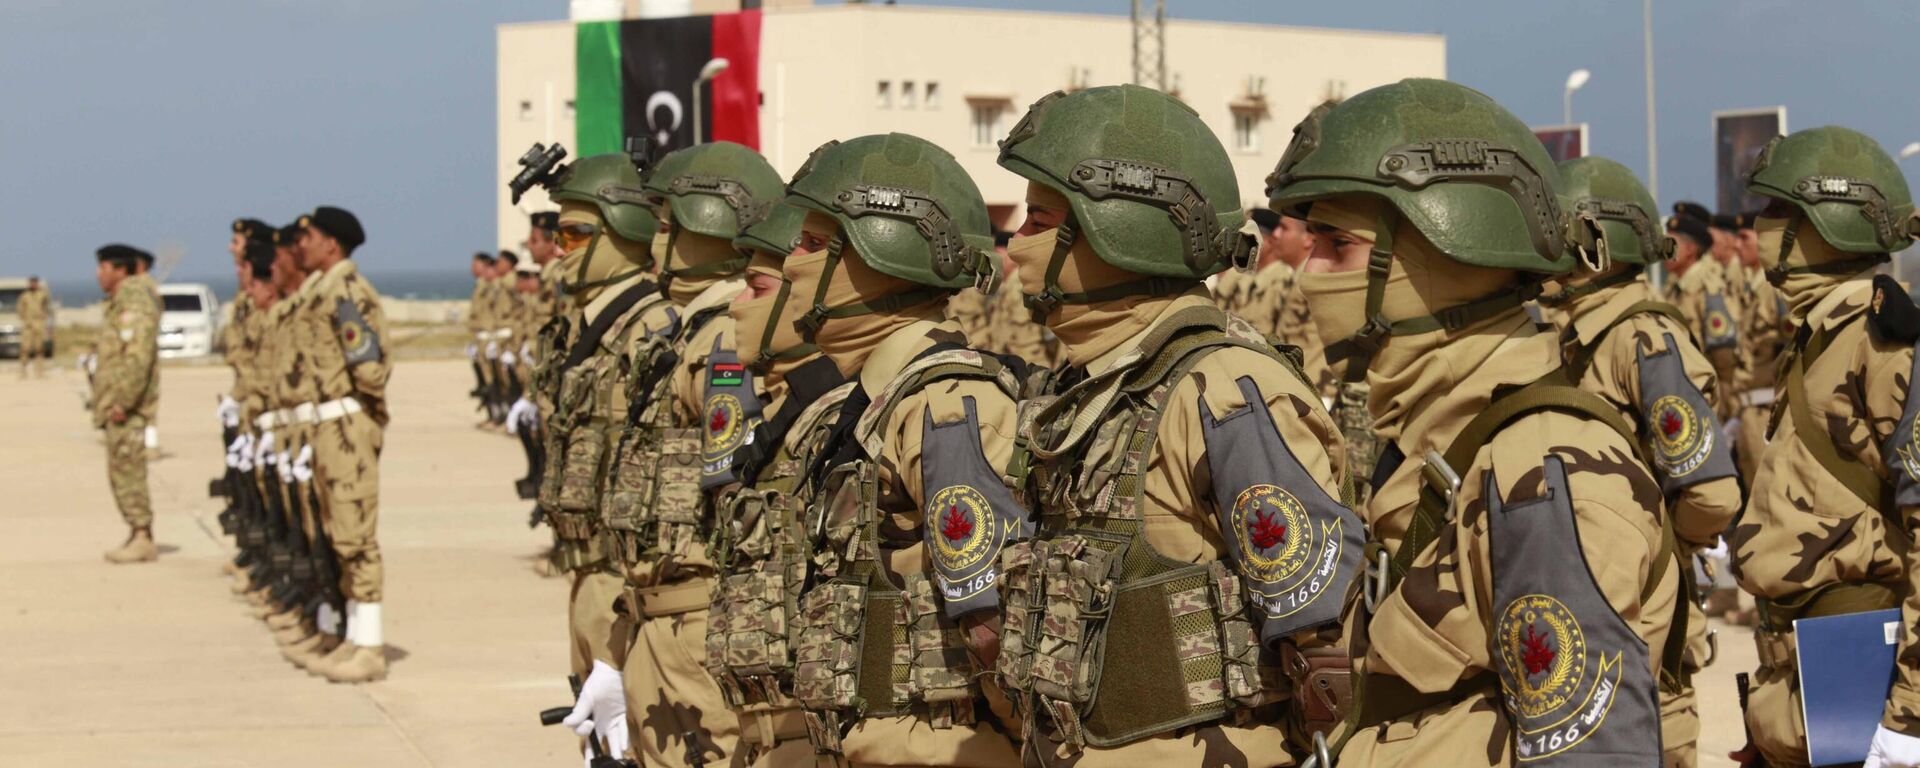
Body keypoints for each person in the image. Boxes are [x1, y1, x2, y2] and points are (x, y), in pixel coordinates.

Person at [1269, 78, 1674, 766]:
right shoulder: (1442, 437)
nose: (1308, 273)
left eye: (1337, 245)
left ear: (1441, 256)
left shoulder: (1544, 475)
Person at [995, 84, 1359, 767]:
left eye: (1040, 222)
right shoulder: (1092, 387)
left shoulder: (1223, 393)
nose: (1015, 246)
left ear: (1118, 229)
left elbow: (1328, 655)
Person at [773, 133, 1025, 767]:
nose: (788, 265)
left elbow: (998, 627)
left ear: (876, 254)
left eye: (810, 245)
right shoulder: (868, 398)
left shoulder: (944, 404)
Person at [1724, 126, 1920, 768]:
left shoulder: (1881, 342)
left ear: (1826, 222)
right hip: (1804, 692)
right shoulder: (1817, 334)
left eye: (1778, 210)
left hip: (1864, 696)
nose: (1760, 223)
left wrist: (1908, 723)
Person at [1537, 156, 1740, 768]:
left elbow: (1711, 493)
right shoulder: (1572, 333)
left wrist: (1660, 553)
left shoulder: (1642, 338)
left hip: (1648, 608)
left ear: (1592, 250)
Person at [594, 139, 783, 767]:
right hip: (663, 614)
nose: (653, 243)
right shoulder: (690, 332)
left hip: (696, 623)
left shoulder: (723, 342)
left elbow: (738, 482)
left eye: (668, 227)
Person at [527, 149, 676, 762]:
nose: (560, 246)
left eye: (575, 232)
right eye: (555, 232)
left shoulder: (652, 328)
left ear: (626, 231)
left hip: (625, 583)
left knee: (629, 745)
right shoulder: (588, 324)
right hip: (589, 573)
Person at [704, 201, 853, 766]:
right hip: (767, 719)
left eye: (757, 288)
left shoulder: (841, 417)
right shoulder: (783, 407)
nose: (738, 305)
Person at [288, 206, 393, 683]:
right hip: (327, 426)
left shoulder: (347, 291)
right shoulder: (323, 291)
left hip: (345, 425)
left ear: (331, 244)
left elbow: (369, 365)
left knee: (355, 536)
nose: (300, 244)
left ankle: (370, 647)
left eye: (308, 236)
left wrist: (357, 415)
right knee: (338, 534)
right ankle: (354, 635)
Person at [93, 244, 162, 563]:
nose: (99, 274)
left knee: (128, 469)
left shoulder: (134, 301)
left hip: (127, 405)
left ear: (120, 270)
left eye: (104, 268)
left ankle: (142, 534)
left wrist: (123, 400)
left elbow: (137, 355)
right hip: (116, 402)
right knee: (121, 469)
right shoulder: (120, 301)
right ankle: (136, 531)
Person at [1667, 208, 1739, 412]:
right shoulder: (1676, 288)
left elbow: (1723, 352)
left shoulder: (1706, 286)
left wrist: (1724, 404)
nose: (1665, 252)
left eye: (1671, 244)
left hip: (1705, 396)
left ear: (1690, 249)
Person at [17, 275, 51, 378]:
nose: (33, 284)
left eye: (35, 282)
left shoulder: (42, 294)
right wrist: (24, 318)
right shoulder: (25, 295)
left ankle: (39, 371)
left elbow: (47, 305)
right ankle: (23, 371)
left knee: (39, 348)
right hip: (28, 324)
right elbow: (20, 308)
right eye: (31, 282)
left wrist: (44, 317)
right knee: (25, 348)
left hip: (39, 323)